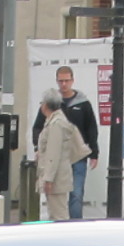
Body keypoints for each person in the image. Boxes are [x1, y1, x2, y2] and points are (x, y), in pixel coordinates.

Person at [31, 65, 98, 218]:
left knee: (76, 194)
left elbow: (91, 128)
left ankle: (73, 225)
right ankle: (69, 226)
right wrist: (37, 147)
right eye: (61, 81)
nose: (64, 84)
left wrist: (94, 152)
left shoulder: (83, 104)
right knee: (58, 198)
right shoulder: (53, 103)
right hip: (59, 159)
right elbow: (37, 127)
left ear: (72, 80)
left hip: (75, 157)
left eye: (67, 81)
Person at [35, 88, 86, 222]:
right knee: (55, 215)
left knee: (59, 216)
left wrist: (48, 179)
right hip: (58, 176)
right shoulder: (56, 121)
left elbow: (54, 152)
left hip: (56, 179)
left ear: (45, 105)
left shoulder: (56, 124)